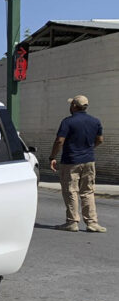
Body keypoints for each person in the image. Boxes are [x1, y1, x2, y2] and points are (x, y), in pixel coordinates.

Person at [49, 95, 105, 232]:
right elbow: (100, 140)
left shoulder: (68, 122)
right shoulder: (95, 121)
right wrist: (89, 149)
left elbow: (59, 141)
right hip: (89, 161)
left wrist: (52, 157)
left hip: (71, 161)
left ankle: (72, 222)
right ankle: (92, 223)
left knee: (70, 191)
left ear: (74, 106)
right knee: (88, 192)